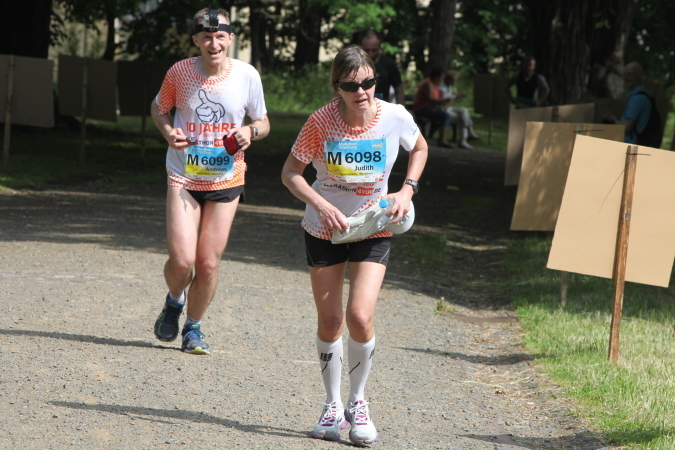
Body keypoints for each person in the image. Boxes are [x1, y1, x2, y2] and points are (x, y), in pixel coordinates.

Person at [281, 45, 427, 445]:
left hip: (373, 226)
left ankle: (358, 402)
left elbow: (419, 147)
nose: (361, 92)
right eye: (350, 86)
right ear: (337, 87)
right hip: (324, 228)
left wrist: (407, 190)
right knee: (331, 321)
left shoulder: (395, 116)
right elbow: (291, 173)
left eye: (368, 82)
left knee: (360, 317)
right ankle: (331, 406)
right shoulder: (320, 121)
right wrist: (321, 204)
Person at [150, 8, 270, 355]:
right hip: (184, 175)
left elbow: (263, 122)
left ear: (230, 38)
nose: (213, 43)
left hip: (226, 178)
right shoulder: (181, 72)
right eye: (206, 37)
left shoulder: (247, 75)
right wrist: (168, 131)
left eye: (219, 36)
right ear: (196, 40)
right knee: (182, 262)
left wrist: (251, 131)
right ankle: (175, 300)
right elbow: (159, 108)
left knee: (207, 264)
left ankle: (193, 328)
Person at [610, 61, 659, 145]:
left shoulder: (638, 98)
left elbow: (627, 127)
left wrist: (613, 120)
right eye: (624, 74)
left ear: (639, 75)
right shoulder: (642, 95)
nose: (626, 77)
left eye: (630, 74)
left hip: (631, 146)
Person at [353, 29, 405, 105]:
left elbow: (399, 89)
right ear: (360, 47)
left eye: (374, 50)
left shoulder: (388, 64)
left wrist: (401, 108)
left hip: (381, 107)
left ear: (379, 48)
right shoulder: (352, 64)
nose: (370, 54)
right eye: (367, 50)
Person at [413, 65, 453, 148]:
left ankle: (437, 136)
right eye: (442, 77)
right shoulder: (428, 84)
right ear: (437, 77)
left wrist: (443, 101)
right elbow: (429, 99)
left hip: (429, 108)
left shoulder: (434, 85)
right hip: (422, 109)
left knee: (444, 114)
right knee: (445, 115)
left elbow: (436, 99)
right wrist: (443, 100)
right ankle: (442, 140)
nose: (443, 79)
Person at [438, 71, 480, 149]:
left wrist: (455, 97)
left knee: (464, 110)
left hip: (449, 109)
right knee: (462, 118)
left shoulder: (449, 87)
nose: (455, 82)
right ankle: (464, 139)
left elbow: (450, 100)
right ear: (449, 80)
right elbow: (445, 104)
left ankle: (468, 134)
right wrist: (455, 98)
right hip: (444, 110)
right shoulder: (442, 89)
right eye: (454, 80)